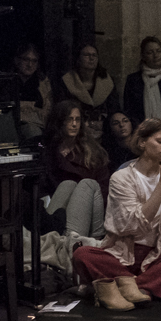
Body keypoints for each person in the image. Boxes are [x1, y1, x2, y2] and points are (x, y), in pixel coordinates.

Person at [73, 118, 161, 309]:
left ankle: (120, 288)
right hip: (122, 253)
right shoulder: (122, 178)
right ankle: (142, 287)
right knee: (83, 254)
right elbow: (133, 224)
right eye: (160, 141)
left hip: (154, 255)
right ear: (142, 142)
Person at [39, 100, 109, 238]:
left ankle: (67, 240)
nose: (74, 124)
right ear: (59, 122)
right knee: (68, 184)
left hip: (88, 210)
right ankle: (51, 237)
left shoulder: (93, 152)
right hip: (56, 211)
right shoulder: (47, 151)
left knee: (86, 184)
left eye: (77, 120)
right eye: (69, 120)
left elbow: (104, 189)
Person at [59, 43, 119, 128]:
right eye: (87, 55)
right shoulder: (67, 81)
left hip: (103, 128)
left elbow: (114, 109)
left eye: (94, 55)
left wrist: (104, 124)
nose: (91, 58)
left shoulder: (107, 82)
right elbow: (63, 110)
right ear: (78, 58)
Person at [14, 44, 52, 140]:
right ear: (17, 60)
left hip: (39, 128)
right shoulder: (8, 82)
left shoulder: (43, 83)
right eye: (26, 59)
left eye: (34, 61)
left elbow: (48, 111)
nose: (30, 64)